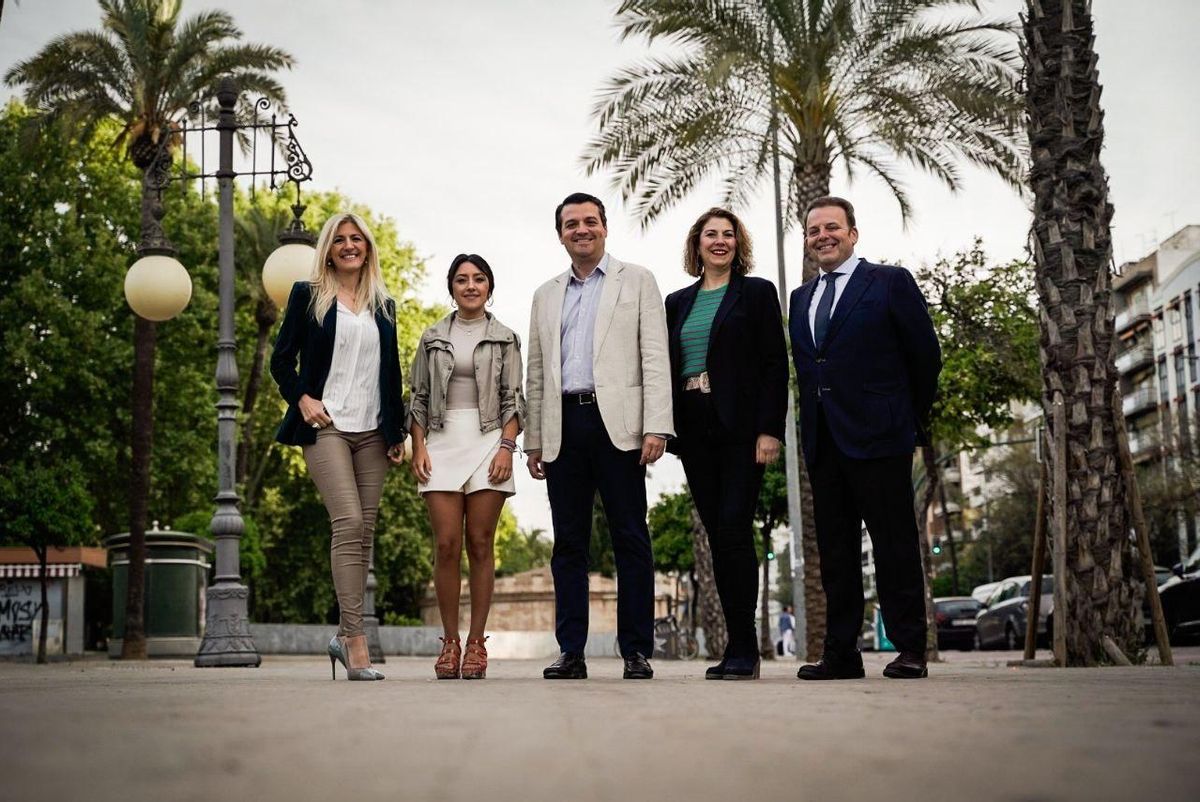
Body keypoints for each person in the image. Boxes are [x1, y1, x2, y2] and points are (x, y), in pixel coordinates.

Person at [787, 196, 941, 680]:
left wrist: (900, 415)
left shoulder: (889, 282)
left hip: (880, 437)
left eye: (832, 227)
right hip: (824, 440)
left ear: (853, 233)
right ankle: (841, 654)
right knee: (835, 553)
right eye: (813, 230)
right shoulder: (800, 298)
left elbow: (926, 357)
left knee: (894, 544)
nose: (822, 236)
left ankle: (910, 647)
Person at [525, 192, 674, 680]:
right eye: (572, 224)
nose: (581, 230)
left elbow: (655, 358)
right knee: (568, 544)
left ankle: (636, 650)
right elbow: (537, 371)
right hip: (563, 426)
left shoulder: (638, 280)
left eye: (590, 222)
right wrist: (534, 439)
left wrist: (657, 425)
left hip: (621, 427)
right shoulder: (546, 294)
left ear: (605, 227)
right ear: (560, 234)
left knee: (631, 536)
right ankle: (572, 652)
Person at [270, 212, 406, 682]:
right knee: (347, 522)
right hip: (326, 425)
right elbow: (281, 359)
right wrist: (302, 399)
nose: (349, 246)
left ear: (368, 247)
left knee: (363, 535)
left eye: (357, 239)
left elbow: (392, 374)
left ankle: (343, 636)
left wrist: (397, 434)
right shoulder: (307, 296)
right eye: (340, 240)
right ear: (328, 249)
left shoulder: (384, 305)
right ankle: (354, 642)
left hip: (373, 431)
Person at [664, 207, 787, 680]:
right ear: (696, 245)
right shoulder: (677, 302)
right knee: (719, 535)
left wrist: (769, 430)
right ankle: (736, 647)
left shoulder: (756, 293)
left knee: (735, 528)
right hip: (695, 430)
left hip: (741, 429)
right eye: (710, 235)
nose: (719, 241)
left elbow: (775, 364)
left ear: (738, 244)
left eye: (728, 235)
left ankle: (745, 648)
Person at [408, 254, 524, 680]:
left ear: (489, 287)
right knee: (444, 544)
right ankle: (449, 641)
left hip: (490, 438)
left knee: (479, 542)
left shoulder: (506, 337)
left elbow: (514, 398)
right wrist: (417, 446)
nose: (470, 286)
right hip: (440, 440)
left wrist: (506, 447)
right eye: (462, 279)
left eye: (478, 279)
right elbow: (418, 397)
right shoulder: (432, 336)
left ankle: (476, 643)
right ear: (452, 287)